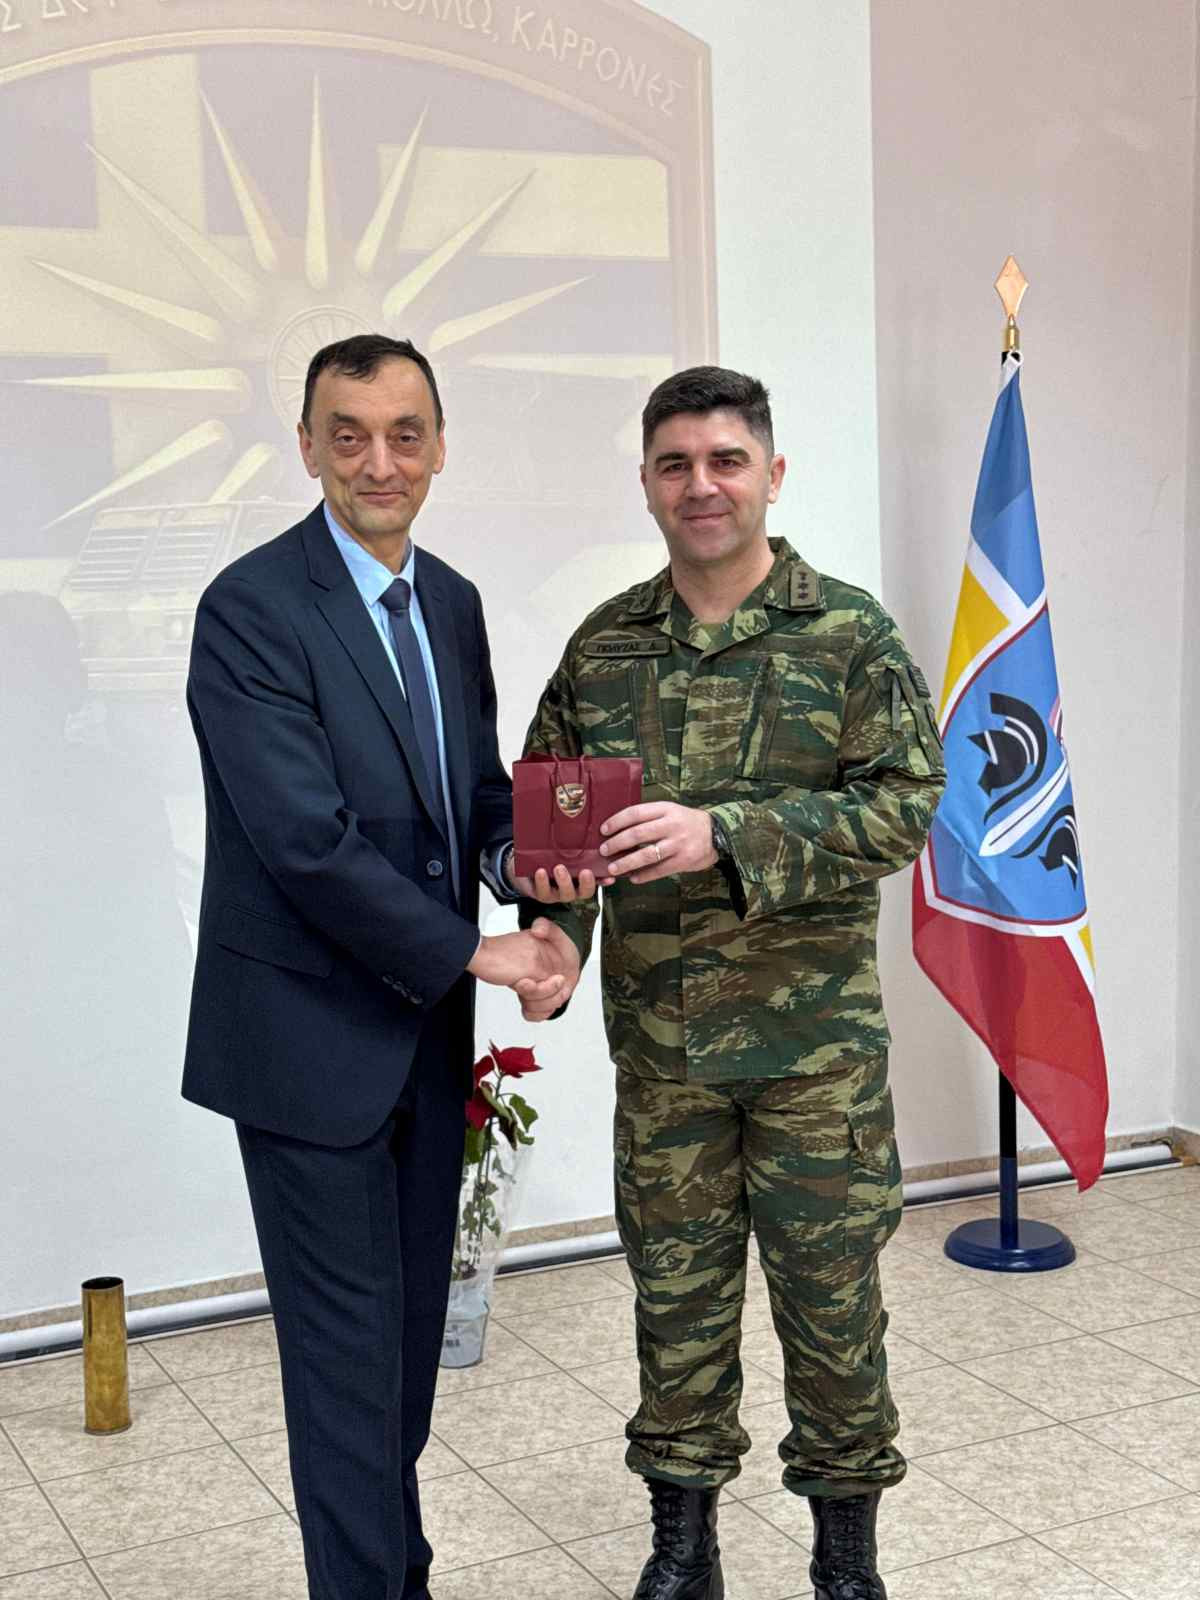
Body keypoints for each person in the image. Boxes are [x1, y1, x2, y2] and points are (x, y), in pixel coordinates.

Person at [518, 367, 946, 1600]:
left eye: (724, 460)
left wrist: (729, 834)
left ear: (771, 474)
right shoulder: (605, 647)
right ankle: (684, 1548)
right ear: (648, 483)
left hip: (815, 1063)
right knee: (677, 1311)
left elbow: (907, 806)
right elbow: (557, 829)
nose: (700, 485)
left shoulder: (848, 633)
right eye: (675, 464)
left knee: (833, 1314)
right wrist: (555, 936)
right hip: (666, 1059)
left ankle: (846, 1562)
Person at [182, 334, 582, 1600]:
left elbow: (472, 794)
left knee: (404, 1358)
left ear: (440, 448)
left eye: (405, 434)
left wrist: (534, 873)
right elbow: (305, 840)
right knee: (348, 1370)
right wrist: (476, 948)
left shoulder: (449, 601)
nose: (378, 461)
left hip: (419, 1041)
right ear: (306, 447)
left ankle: (395, 1573)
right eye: (347, 435)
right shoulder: (250, 609)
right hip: (305, 1051)